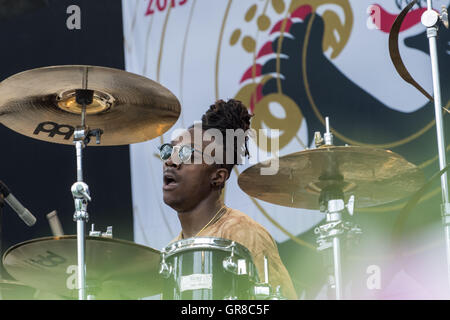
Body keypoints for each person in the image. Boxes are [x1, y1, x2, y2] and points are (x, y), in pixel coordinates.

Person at [160, 99, 297, 300]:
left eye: (187, 154)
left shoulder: (244, 235)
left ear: (218, 176)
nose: (171, 161)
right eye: (168, 150)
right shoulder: (173, 250)